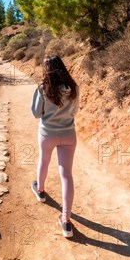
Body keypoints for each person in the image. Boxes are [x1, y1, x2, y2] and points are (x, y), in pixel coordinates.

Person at [31, 55, 79, 238]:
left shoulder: (43, 89)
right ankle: (66, 222)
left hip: (47, 133)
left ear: (47, 70)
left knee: (44, 161)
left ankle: (40, 191)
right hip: (68, 134)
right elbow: (74, 111)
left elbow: (36, 113)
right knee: (66, 175)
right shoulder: (73, 87)